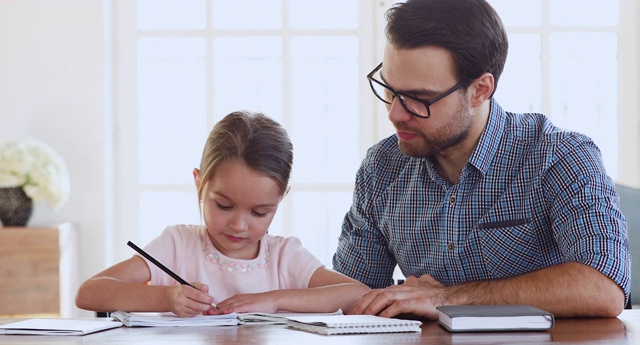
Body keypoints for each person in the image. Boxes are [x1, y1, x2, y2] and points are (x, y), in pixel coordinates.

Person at [333, 0, 630, 320]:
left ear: (480, 89)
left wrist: (445, 298)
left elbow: (603, 288)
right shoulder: (382, 167)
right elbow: (351, 293)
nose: (395, 114)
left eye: (418, 99)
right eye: (390, 90)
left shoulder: (560, 156)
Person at [76, 111, 369, 317]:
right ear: (199, 183)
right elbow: (90, 292)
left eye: (259, 212)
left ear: (281, 199)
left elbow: (358, 294)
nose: (239, 224)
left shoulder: (283, 256)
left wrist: (274, 300)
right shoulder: (177, 244)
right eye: (224, 206)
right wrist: (166, 297)